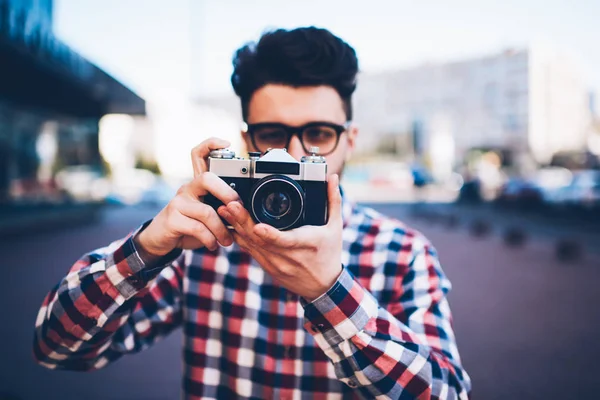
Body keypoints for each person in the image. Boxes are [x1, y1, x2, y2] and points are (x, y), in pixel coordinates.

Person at [33, 26, 471, 399]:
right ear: (246, 144)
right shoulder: (206, 244)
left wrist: (330, 291)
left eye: (319, 135)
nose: (297, 155)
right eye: (274, 134)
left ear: (350, 140)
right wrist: (147, 249)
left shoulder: (401, 253)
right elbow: (56, 348)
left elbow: (449, 392)